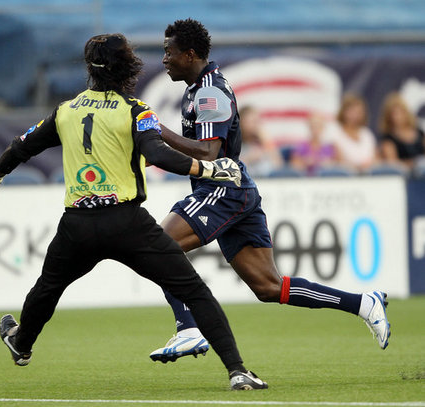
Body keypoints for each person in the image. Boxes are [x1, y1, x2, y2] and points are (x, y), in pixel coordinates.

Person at [0, 33, 268, 390]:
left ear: (90, 69)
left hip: (78, 226)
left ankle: (21, 344)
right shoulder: (137, 111)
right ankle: (237, 371)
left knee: (47, 288)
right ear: (127, 66)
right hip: (128, 224)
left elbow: (23, 145)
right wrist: (208, 169)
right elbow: (158, 154)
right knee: (195, 292)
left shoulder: (67, 110)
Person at [148, 19, 391, 364]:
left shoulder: (210, 91)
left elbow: (208, 153)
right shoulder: (196, 90)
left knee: (160, 246)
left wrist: (157, 131)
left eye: (169, 52)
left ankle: (188, 328)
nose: (164, 59)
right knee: (268, 286)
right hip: (233, 189)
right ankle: (363, 303)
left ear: (189, 54)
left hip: (223, 189)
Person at [323, 93, 377, 172]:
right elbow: (334, 158)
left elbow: (374, 157)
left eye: (359, 112)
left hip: (367, 175)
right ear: (344, 111)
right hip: (342, 176)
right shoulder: (334, 131)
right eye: (352, 111)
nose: (355, 115)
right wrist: (354, 167)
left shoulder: (366, 134)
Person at [378, 92, 425, 169]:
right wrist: (414, 164)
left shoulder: (419, 132)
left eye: (401, 112)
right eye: (395, 113)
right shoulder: (388, 138)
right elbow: (392, 163)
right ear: (389, 116)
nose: (399, 117)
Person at [238, 105, 282, 177]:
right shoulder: (235, 144)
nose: (254, 125)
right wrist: (249, 158)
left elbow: (278, 165)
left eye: (256, 121)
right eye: (250, 121)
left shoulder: (263, 142)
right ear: (241, 123)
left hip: (269, 179)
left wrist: (266, 140)